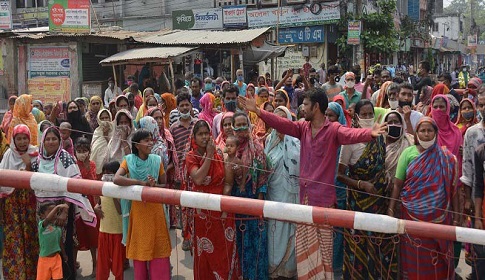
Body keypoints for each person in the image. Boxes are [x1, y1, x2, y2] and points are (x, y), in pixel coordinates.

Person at [238, 87, 387, 279]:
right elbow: (282, 123)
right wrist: (258, 111)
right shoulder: (302, 128)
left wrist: (369, 133)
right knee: (305, 253)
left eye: (306, 104)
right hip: (305, 200)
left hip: (323, 202)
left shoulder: (333, 130)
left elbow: (350, 134)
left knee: (323, 254)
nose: (302, 108)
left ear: (316, 107)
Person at [388, 117, 459, 279]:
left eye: (429, 130)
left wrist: (456, 217)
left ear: (435, 132)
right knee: (415, 258)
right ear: (417, 133)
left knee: (438, 260)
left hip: (439, 219)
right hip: (412, 217)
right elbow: (398, 185)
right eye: (422, 131)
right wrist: (391, 208)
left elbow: (453, 190)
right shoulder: (408, 153)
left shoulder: (446, 158)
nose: (426, 134)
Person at [337, 100, 397, 279]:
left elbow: (381, 163)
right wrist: (361, 184)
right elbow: (340, 175)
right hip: (358, 202)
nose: (368, 118)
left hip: (379, 199)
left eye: (370, 114)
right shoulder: (350, 140)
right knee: (359, 244)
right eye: (364, 115)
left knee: (378, 241)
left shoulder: (379, 136)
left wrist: (384, 177)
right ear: (356, 117)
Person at [32, 126, 97, 280]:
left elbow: (74, 185)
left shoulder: (65, 158)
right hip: (41, 210)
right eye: (47, 139)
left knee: (63, 246)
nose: (51, 142)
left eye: (54, 138)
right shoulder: (37, 160)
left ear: (59, 140)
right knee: (47, 243)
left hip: (62, 207)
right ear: (43, 141)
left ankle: (65, 275)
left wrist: (65, 210)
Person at [184, 120, 239, 279]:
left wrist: (225, 207)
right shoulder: (191, 156)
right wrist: (209, 155)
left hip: (222, 211)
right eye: (200, 134)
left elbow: (227, 181)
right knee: (205, 254)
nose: (204, 137)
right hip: (202, 212)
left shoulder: (220, 154)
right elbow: (198, 179)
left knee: (224, 252)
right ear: (194, 137)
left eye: (206, 133)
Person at [114, 129, 171, 280]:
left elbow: (164, 186)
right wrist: (141, 183)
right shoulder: (129, 160)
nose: (150, 143)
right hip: (138, 212)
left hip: (155, 212)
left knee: (158, 250)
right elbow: (117, 179)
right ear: (137, 145)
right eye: (146, 140)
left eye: (151, 140)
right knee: (140, 251)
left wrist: (153, 187)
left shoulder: (156, 160)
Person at [230, 111, 269, 279]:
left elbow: (262, 181)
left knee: (255, 243)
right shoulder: (228, 148)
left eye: (243, 124)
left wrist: (258, 207)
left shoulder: (257, 149)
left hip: (253, 201)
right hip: (233, 202)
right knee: (237, 242)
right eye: (237, 125)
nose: (240, 128)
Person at [264, 106, 300, 279]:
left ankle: (287, 270)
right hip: (273, 196)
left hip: (290, 196)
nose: (278, 123)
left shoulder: (296, 142)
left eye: (282, 120)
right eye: (275, 119)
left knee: (288, 229)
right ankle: (274, 269)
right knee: (274, 232)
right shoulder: (268, 141)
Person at [0, 124, 39, 280]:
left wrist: (28, 164)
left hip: (29, 202)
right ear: (13, 139)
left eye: (25, 138)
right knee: (14, 237)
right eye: (19, 138)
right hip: (12, 204)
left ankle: (34, 273)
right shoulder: (8, 155)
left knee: (31, 235)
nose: (22, 142)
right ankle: (17, 274)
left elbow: (37, 180)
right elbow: (3, 181)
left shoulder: (35, 153)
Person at [169, 93, 198, 251]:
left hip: (197, 172)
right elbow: (173, 153)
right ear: (178, 108)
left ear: (191, 106)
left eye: (187, 105)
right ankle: (186, 236)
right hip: (181, 173)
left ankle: (196, 235)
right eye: (182, 106)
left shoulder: (198, 125)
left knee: (197, 205)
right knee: (184, 207)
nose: (185, 108)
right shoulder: (173, 128)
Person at [74, 137, 99, 276]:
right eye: (79, 151)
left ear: (89, 152)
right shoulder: (72, 164)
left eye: (84, 151)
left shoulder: (92, 164)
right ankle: (73, 263)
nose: (82, 153)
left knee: (92, 235)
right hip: (77, 201)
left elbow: (94, 183)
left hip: (90, 203)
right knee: (77, 234)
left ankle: (95, 265)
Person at [95, 161, 124, 280]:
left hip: (116, 231)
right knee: (102, 264)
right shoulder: (102, 187)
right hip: (103, 230)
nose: (106, 175)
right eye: (105, 172)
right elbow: (99, 203)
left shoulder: (121, 190)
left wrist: (112, 194)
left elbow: (120, 211)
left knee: (118, 265)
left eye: (110, 173)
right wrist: (96, 207)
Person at [36, 203, 69, 280]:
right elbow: (47, 219)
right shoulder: (42, 225)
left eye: (55, 212)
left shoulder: (57, 227)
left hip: (56, 258)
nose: (54, 213)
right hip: (44, 260)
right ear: (42, 215)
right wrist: (57, 207)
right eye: (51, 211)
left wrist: (64, 254)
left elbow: (60, 241)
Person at [90, 109, 114, 179]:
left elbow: (114, 146)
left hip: (111, 161)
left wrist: (106, 135)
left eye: (106, 118)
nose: (104, 120)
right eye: (102, 118)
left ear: (110, 118)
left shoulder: (114, 130)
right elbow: (93, 146)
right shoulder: (97, 131)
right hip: (97, 159)